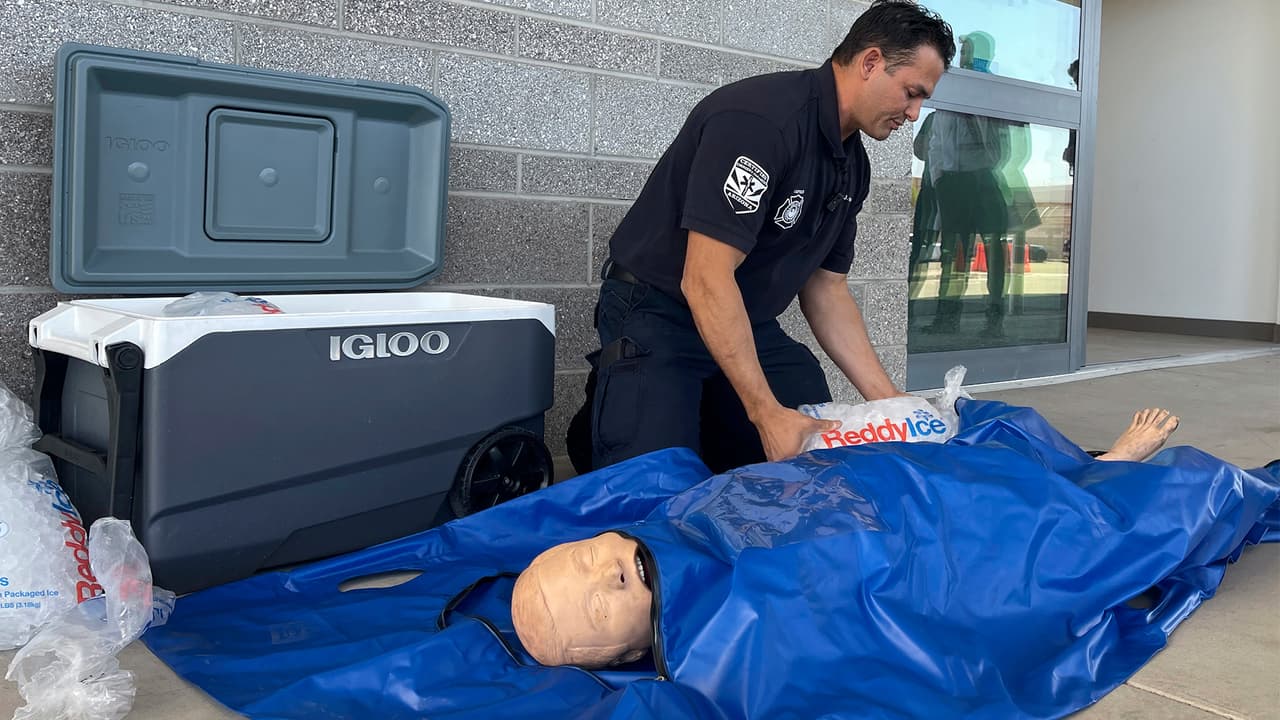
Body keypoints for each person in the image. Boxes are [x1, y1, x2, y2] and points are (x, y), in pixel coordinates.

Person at [565, 0, 957, 476]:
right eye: (911, 93)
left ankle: (688, 413)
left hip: (746, 319)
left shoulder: (852, 167)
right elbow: (705, 277)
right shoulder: (761, 122)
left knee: (809, 423)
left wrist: (890, 402)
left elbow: (826, 288)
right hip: (659, 309)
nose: (914, 114)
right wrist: (764, 413)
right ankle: (616, 413)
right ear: (871, 62)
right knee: (655, 484)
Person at [518, 408, 1182, 668]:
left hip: (870, 493)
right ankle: (1100, 482)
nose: (606, 576)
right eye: (599, 608)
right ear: (622, 655)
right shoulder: (724, 652)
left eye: (583, 560)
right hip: (897, 550)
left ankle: (1074, 481)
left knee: (959, 476)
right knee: (996, 549)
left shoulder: (681, 511)